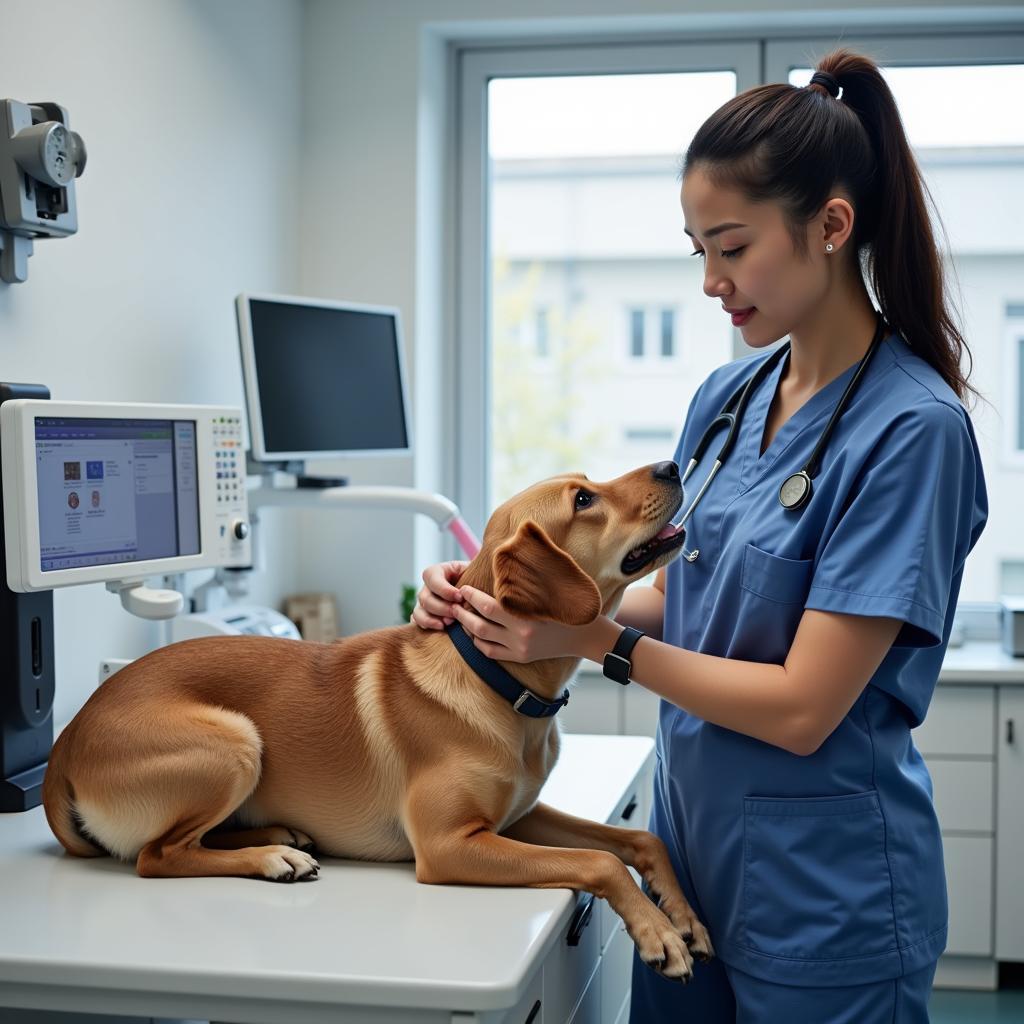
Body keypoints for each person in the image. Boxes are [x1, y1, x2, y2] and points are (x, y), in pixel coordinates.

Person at [412, 48, 988, 1023]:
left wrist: (594, 643)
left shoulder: (909, 431)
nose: (712, 281)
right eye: (698, 252)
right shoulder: (726, 401)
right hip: (692, 861)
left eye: (731, 246)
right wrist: (504, 602)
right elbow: (682, 598)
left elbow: (805, 706)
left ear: (830, 227)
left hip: (824, 897)